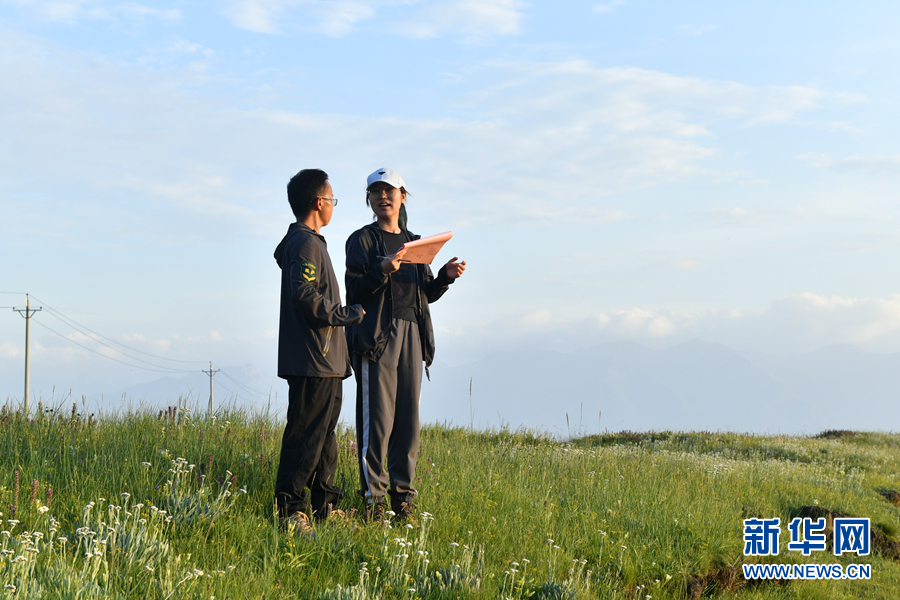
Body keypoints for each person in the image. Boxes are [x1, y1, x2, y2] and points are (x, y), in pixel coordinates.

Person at [345, 167, 466, 523]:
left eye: (390, 191)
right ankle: (374, 501)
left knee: (408, 421)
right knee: (377, 421)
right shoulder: (362, 240)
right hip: (377, 337)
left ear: (402, 196)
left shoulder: (415, 242)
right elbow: (353, 290)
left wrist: (444, 278)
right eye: (376, 192)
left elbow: (423, 294)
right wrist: (381, 270)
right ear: (369, 199)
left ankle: (403, 499)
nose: (383, 197)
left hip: (413, 333)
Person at [273, 168, 365, 534]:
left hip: (326, 360)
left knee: (324, 436)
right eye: (331, 199)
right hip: (314, 358)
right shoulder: (306, 244)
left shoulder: (307, 241)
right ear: (318, 202)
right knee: (305, 436)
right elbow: (304, 294)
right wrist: (344, 315)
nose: (332, 206)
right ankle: (290, 510)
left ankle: (325, 507)